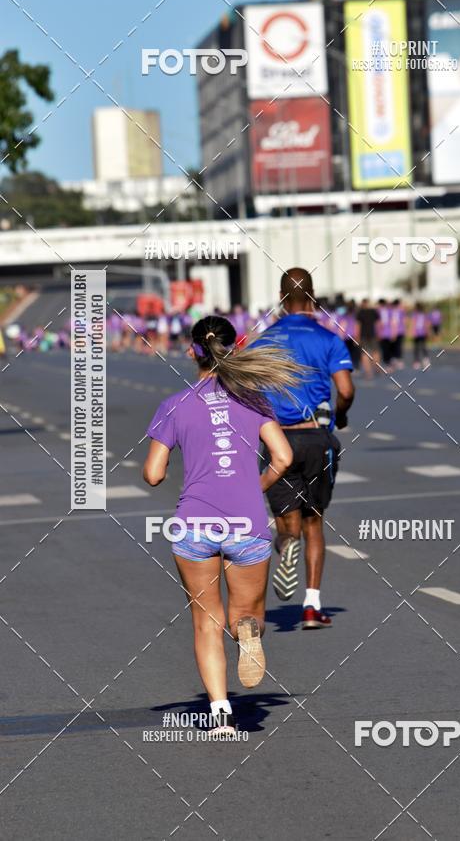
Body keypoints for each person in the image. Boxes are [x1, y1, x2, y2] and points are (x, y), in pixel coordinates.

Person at [143, 315, 297, 737]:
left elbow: (154, 474)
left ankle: (221, 715)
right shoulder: (254, 400)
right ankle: (248, 633)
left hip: (194, 526)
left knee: (205, 622)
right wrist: (254, 483)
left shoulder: (174, 405)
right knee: (245, 614)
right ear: (236, 347)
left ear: (193, 351)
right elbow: (283, 458)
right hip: (246, 524)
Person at [254, 268, 355, 629]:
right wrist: (340, 417)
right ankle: (312, 607)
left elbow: (244, 390)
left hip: (278, 438)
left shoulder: (262, 341)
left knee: (288, 525)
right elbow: (345, 390)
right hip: (316, 437)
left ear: (281, 300)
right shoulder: (328, 338)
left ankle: (286, 545)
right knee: (315, 522)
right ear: (312, 298)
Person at [356, 298, 380, 379]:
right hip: (373, 334)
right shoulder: (373, 311)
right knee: (375, 351)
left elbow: (358, 326)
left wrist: (357, 337)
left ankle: (368, 372)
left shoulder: (360, 312)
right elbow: (378, 324)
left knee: (365, 354)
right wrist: (378, 333)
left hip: (363, 335)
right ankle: (377, 368)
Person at [410, 302, 430, 369]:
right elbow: (427, 324)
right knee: (423, 347)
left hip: (418, 333)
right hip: (422, 333)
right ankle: (425, 361)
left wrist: (412, 331)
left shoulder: (415, 314)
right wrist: (427, 332)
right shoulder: (424, 314)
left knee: (417, 348)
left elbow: (413, 323)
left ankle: (417, 362)